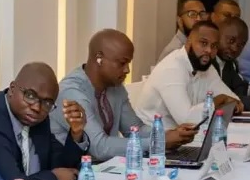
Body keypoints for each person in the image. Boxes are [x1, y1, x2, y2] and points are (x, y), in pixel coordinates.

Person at [51, 29, 197, 162]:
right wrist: (159, 142)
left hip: (103, 167)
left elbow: (135, 129)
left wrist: (170, 135)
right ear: (99, 58)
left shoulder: (114, 86)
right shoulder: (72, 92)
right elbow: (99, 148)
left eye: (128, 63)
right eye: (122, 63)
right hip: (70, 172)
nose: (127, 70)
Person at [0, 62, 88, 180]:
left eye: (47, 102)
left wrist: (76, 133)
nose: (37, 107)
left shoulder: (38, 115)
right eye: (30, 96)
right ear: (12, 89)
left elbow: (62, 167)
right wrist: (56, 179)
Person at [136, 21, 242, 129]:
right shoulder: (172, 68)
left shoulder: (206, 67)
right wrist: (219, 100)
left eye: (214, 46)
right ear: (188, 43)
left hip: (184, 133)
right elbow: (186, 120)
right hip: (152, 134)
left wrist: (230, 102)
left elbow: (234, 100)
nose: (209, 50)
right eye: (203, 43)